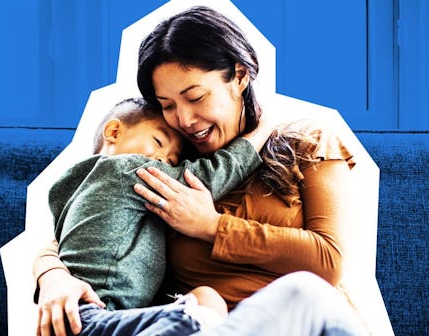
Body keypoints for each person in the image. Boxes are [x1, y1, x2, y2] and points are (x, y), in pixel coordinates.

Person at [34, 5, 368, 336]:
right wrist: (53, 277)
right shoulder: (168, 171)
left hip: (309, 324)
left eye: (195, 97)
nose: (184, 120)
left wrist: (211, 226)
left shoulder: (306, 144)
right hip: (201, 328)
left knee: (304, 292)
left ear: (239, 77)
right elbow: (84, 226)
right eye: (167, 106)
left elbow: (329, 262)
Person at [47, 96, 272, 335]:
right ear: (113, 131)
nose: (163, 160)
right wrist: (263, 128)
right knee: (202, 308)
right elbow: (207, 176)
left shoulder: (70, 189)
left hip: (79, 318)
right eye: (158, 141)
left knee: (202, 300)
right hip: (93, 314)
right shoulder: (126, 169)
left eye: (173, 161)